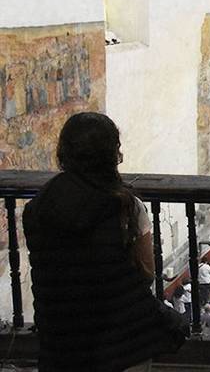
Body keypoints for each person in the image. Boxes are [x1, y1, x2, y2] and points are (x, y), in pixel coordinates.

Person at [23, 112, 186, 371]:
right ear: (112, 154)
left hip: (63, 341)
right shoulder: (125, 206)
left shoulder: (37, 208)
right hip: (120, 342)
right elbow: (146, 273)